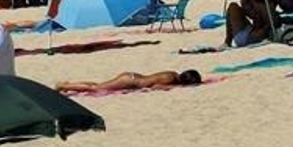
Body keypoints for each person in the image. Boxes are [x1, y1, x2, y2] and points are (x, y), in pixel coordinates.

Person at [56, 69, 203, 93]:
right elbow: (155, 87)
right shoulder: (170, 79)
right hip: (129, 81)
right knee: (96, 88)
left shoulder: (173, 73)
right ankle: (63, 86)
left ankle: (68, 85)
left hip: (133, 77)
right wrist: (173, 89)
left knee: (98, 85)